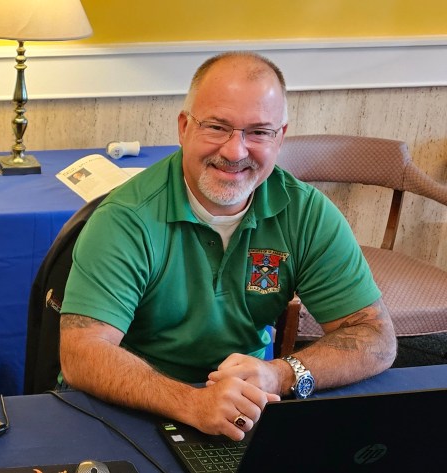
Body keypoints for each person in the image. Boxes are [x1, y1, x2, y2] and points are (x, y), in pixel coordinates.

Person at [58, 51, 397, 441]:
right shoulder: (126, 217)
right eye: (217, 127)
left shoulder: (306, 212)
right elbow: (81, 353)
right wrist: (192, 403)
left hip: (244, 409)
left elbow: (376, 338)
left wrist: (281, 374)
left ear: (280, 137)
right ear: (184, 127)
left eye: (259, 132)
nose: (236, 151)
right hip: (129, 408)